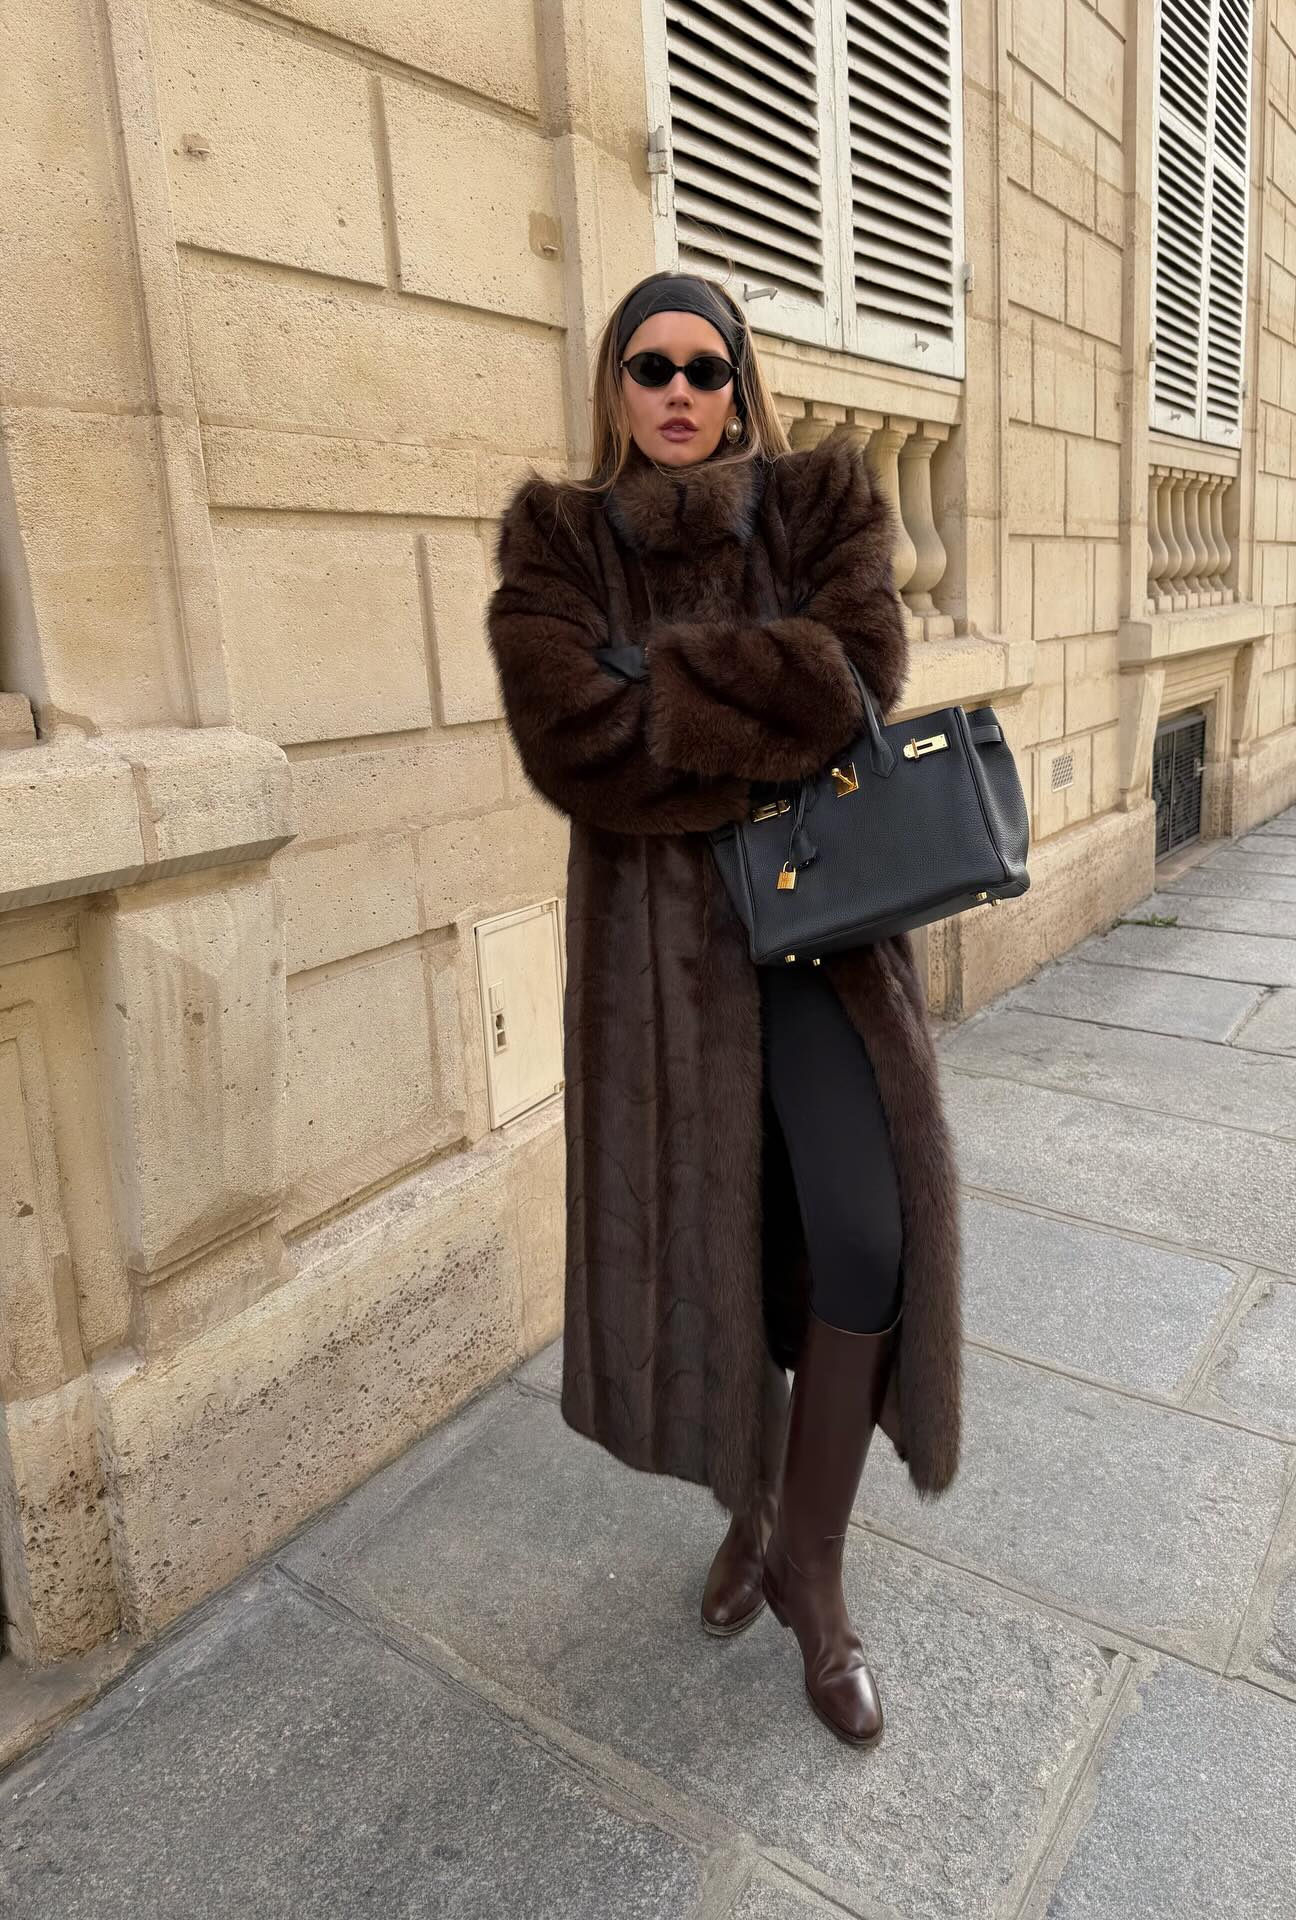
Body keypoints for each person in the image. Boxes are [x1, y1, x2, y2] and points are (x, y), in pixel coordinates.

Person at [485, 269, 962, 1749]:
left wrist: (665, 693)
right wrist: (760, 700)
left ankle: (811, 1561)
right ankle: (749, 1512)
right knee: (729, 1254)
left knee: (868, 1235)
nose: (678, 392)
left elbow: (861, 671)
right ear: (614, 389)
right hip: (661, 980)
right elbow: (574, 734)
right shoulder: (554, 543)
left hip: (823, 948)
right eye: (650, 368)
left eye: (704, 366)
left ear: (742, 382)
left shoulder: (822, 505)